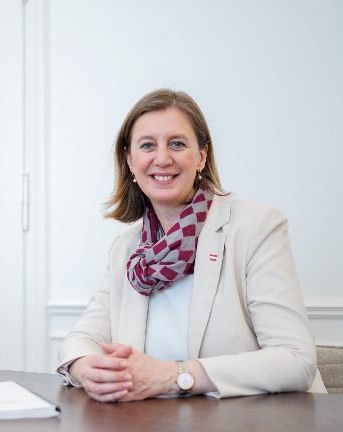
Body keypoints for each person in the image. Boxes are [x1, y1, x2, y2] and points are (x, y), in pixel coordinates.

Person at [58, 89, 326, 402]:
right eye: (147, 145)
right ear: (130, 161)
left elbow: (296, 359)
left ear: (201, 156)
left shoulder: (256, 227)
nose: (162, 159)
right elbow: (81, 339)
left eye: (177, 144)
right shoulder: (126, 249)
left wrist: (173, 376)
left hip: (251, 424)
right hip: (151, 425)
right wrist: (88, 369)